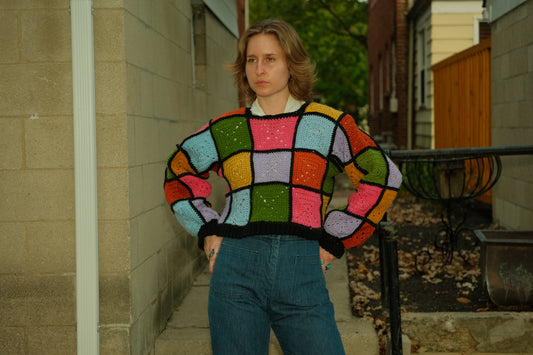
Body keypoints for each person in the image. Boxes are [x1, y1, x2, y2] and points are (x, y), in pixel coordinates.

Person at [164, 19, 402, 355]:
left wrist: (335, 237)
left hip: (301, 266)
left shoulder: (326, 124)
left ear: (292, 64)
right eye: (251, 59)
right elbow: (179, 171)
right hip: (235, 270)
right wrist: (208, 231)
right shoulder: (227, 129)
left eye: (270, 58)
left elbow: (384, 174)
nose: (259, 69)